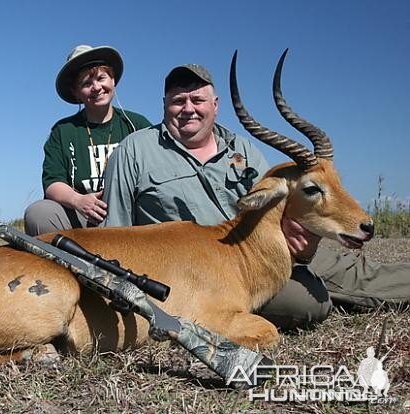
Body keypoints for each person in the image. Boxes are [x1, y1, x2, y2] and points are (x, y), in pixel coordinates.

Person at [101, 63, 410, 330]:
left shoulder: (242, 148)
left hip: (278, 246)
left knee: (362, 274)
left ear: (216, 104)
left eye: (198, 99)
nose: (188, 108)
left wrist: (306, 244)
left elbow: (283, 206)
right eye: (178, 100)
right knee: (308, 303)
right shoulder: (135, 150)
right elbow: (117, 231)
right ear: (164, 103)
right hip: (211, 271)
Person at [24, 45, 152, 236]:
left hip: (132, 215)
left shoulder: (137, 124)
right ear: (76, 92)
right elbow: (52, 183)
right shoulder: (63, 131)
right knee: (38, 214)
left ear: (113, 80)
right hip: (83, 216)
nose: (97, 87)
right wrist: (79, 201)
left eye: (101, 78)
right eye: (86, 83)